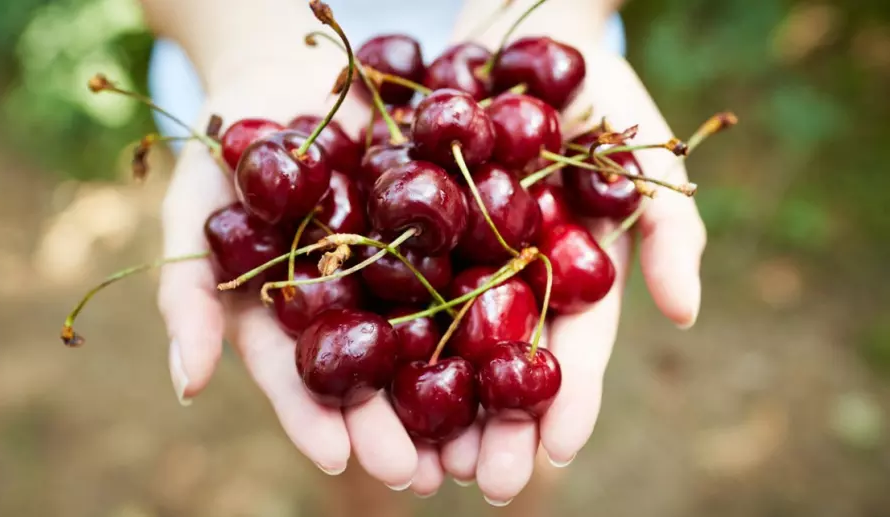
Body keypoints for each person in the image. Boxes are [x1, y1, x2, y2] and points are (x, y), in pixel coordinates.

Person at [139, 0, 706, 506]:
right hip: (253, 43)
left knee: (523, 452)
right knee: (351, 450)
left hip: (488, 53)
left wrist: (570, 12)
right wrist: (243, 45)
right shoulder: (346, 195)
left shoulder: (486, 181)